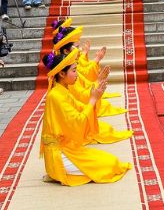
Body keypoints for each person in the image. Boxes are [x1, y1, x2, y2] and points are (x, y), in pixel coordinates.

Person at [40, 48, 132, 185]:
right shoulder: (56, 96)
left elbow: (80, 107)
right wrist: (93, 100)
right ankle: (56, 172)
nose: (76, 74)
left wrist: (95, 92)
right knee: (109, 166)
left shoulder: (62, 91)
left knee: (112, 161)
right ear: (61, 73)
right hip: (59, 155)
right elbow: (78, 122)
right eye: (73, 70)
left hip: (68, 148)